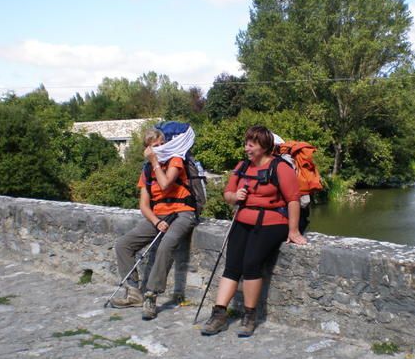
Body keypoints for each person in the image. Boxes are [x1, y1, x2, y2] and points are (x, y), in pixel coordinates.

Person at [201, 125, 307, 337]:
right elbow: (227, 194)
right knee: (231, 266)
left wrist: (293, 231)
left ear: (264, 146)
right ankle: (219, 314)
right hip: (242, 221)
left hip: (272, 223)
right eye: (246, 143)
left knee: (251, 264)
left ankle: (250, 316)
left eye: (252, 144)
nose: (246, 148)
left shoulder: (280, 167)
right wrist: (235, 197)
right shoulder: (242, 166)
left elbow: (293, 200)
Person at [112, 128, 197, 320]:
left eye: (161, 144)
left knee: (166, 246)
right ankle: (133, 292)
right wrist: (156, 221)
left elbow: (166, 184)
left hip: (183, 213)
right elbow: (143, 204)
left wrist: (155, 162)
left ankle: (151, 295)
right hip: (159, 215)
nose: (159, 149)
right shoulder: (147, 170)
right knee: (123, 244)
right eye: (154, 146)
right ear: (147, 148)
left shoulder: (176, 160)